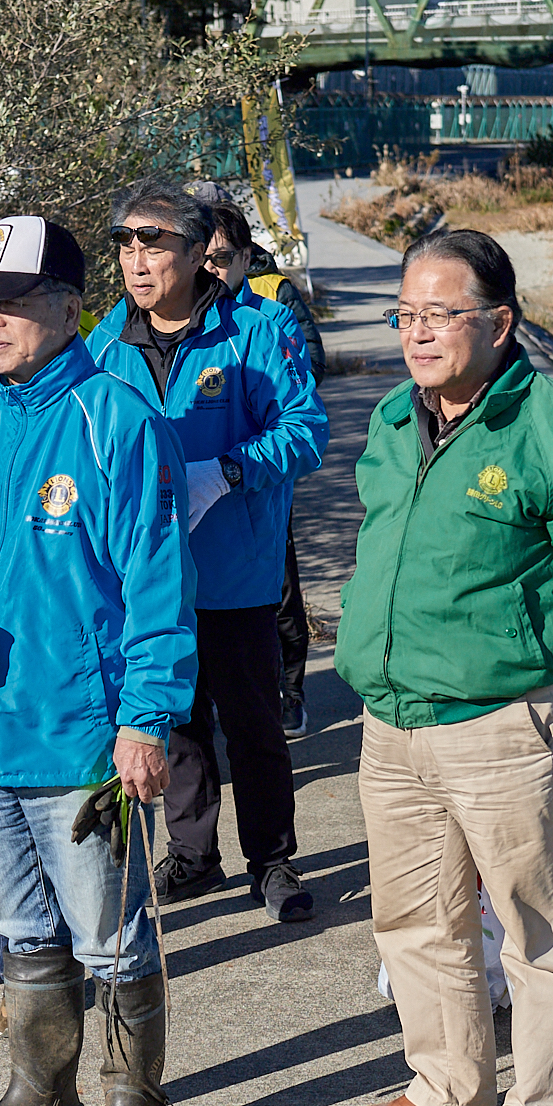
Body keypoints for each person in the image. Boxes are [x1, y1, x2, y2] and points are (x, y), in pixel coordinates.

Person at [336, 227, 553, 1106]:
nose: (417, 332)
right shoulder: (393, 421)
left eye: (442, 313)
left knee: (538, 926)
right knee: (415, 918)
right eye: (407, 313)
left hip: (503, 720)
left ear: (501, 322)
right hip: (391, 723)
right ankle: (449, 1082)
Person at [0, 215, 197, 1106]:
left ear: (70, 309)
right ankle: (41, 1088)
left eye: (14, 303)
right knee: (21, 927)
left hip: (82, 740)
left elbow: (159, 588)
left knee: (111, 930)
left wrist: (146, 716)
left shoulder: (119, 419)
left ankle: (132, 1103)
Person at [90, 179, 329, 921]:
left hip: (236, 572)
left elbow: (306, 432)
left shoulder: (257, 331)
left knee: (254, 725)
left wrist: (225, 472)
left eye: (154, 242)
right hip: (150, 580)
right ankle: (193, 855)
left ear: (197, 254)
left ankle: (273, 860)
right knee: (178, 722)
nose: (137, 258)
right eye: (126, 243)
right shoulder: (102, 344)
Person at [206, 206, 320, 737]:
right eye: (200, 259)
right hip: (196, 500)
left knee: (278, 591)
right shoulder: (157, 323)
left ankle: (290, 691)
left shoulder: (270, 311)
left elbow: (302, 397)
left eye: (222, 259)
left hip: (259, 485)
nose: (210, 271)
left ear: (246, 259)